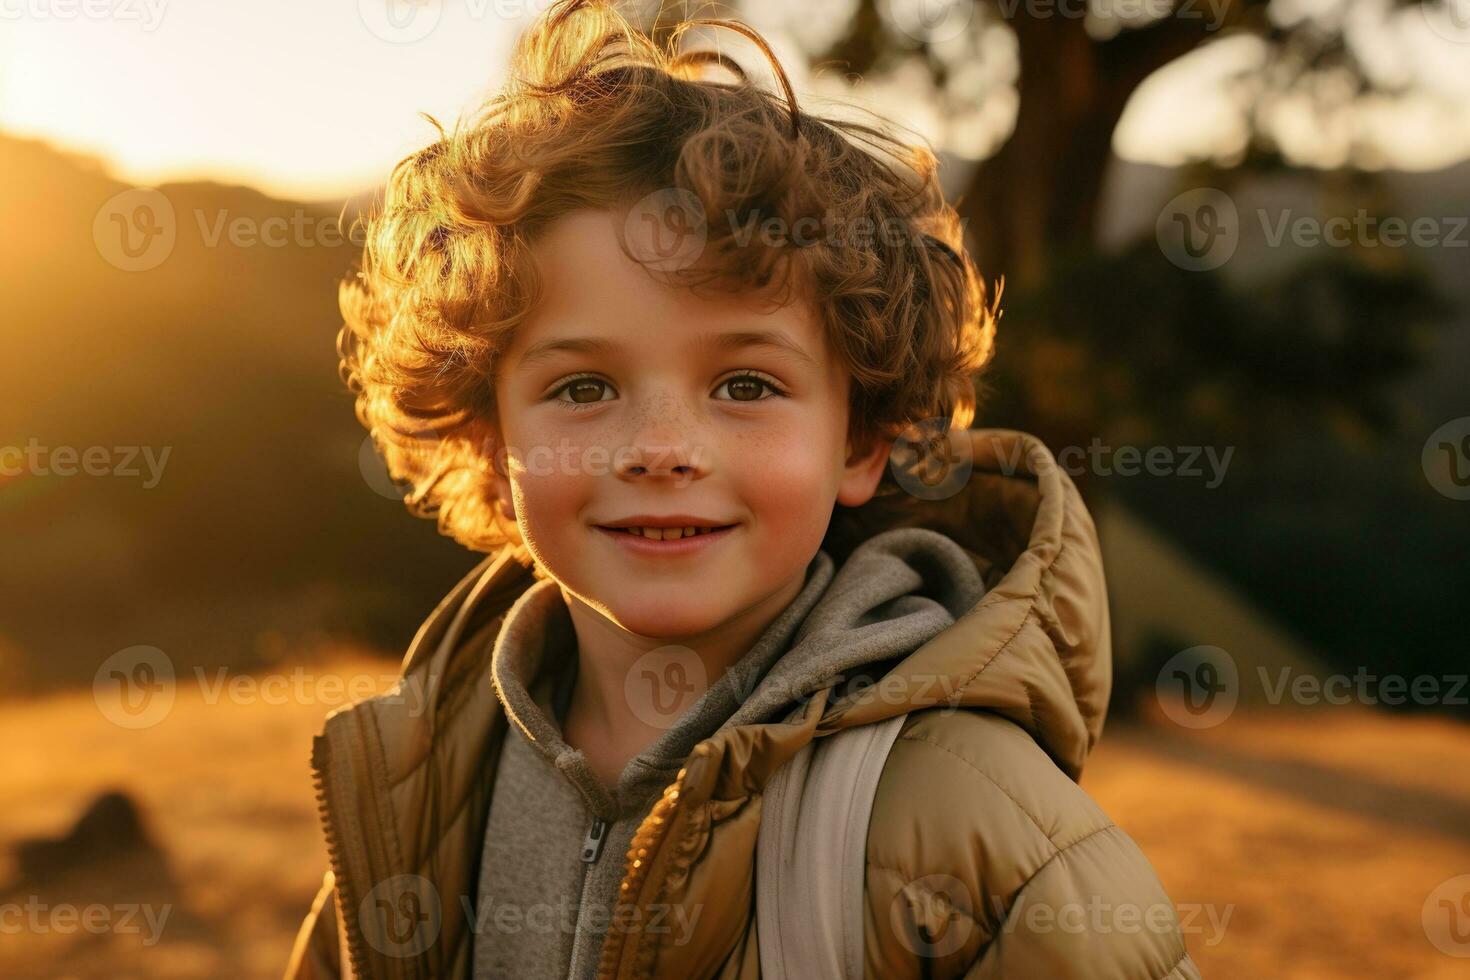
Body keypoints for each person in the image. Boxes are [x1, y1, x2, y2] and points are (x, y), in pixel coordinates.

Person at [285, 2, 1200, 977]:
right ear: (488, 431)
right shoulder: (421, 784)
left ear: (861, 439)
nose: (663, 448)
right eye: (583, 387)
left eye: (746, 385)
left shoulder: (979, 841)